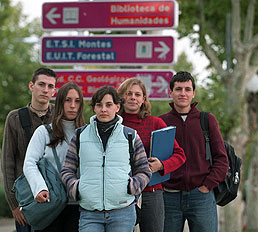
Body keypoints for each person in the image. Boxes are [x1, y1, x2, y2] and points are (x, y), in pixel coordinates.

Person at [61, 86, 152, 232]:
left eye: (108, 105)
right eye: (99, 105)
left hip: (123, 211)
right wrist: (76, 189)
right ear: (94, 108)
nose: (104, 109)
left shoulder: (130, 135)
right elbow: (67, 170)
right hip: (89, 213)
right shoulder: (80, 135)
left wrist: (131, 186)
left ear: (117, 107)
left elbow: (144, 170)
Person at [159, 71, 229, 232]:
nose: (183, 93)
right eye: (178, 89)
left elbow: (221, 159)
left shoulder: (207, 120)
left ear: (193, 93)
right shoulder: (162, 121)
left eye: (187, 89)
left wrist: (207, 185)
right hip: (169, 197)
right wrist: (161, 184)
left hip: (201, 196)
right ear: (170, 93)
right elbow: (154, 158)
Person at [117, 78, 186, 232]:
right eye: (129, 94)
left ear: (143, 99)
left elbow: (179, 154)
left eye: (137, 94)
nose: (133, 97)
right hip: (120, 192)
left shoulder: (155, 123)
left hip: (151, 192)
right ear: (121, 98)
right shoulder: (114, 125)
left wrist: (162, 165)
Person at [23, 82, 85, 231]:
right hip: (51, 203)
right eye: (67, 100)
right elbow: (29, 163)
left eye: (77, 101)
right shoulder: (44, 132)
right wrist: (39, 188)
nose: (72, 105)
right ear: (59, 103)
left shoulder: (87, 132)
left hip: (80, 206)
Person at [1, 68, 57, 232]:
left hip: (56, 198)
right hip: (26, 200)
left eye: (50, 86)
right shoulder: (15, 118)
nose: (45, 90)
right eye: (41, 84)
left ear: (54, 90)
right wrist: (14, 205)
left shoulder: (60, 115)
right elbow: (7, 163)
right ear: (31, 86)